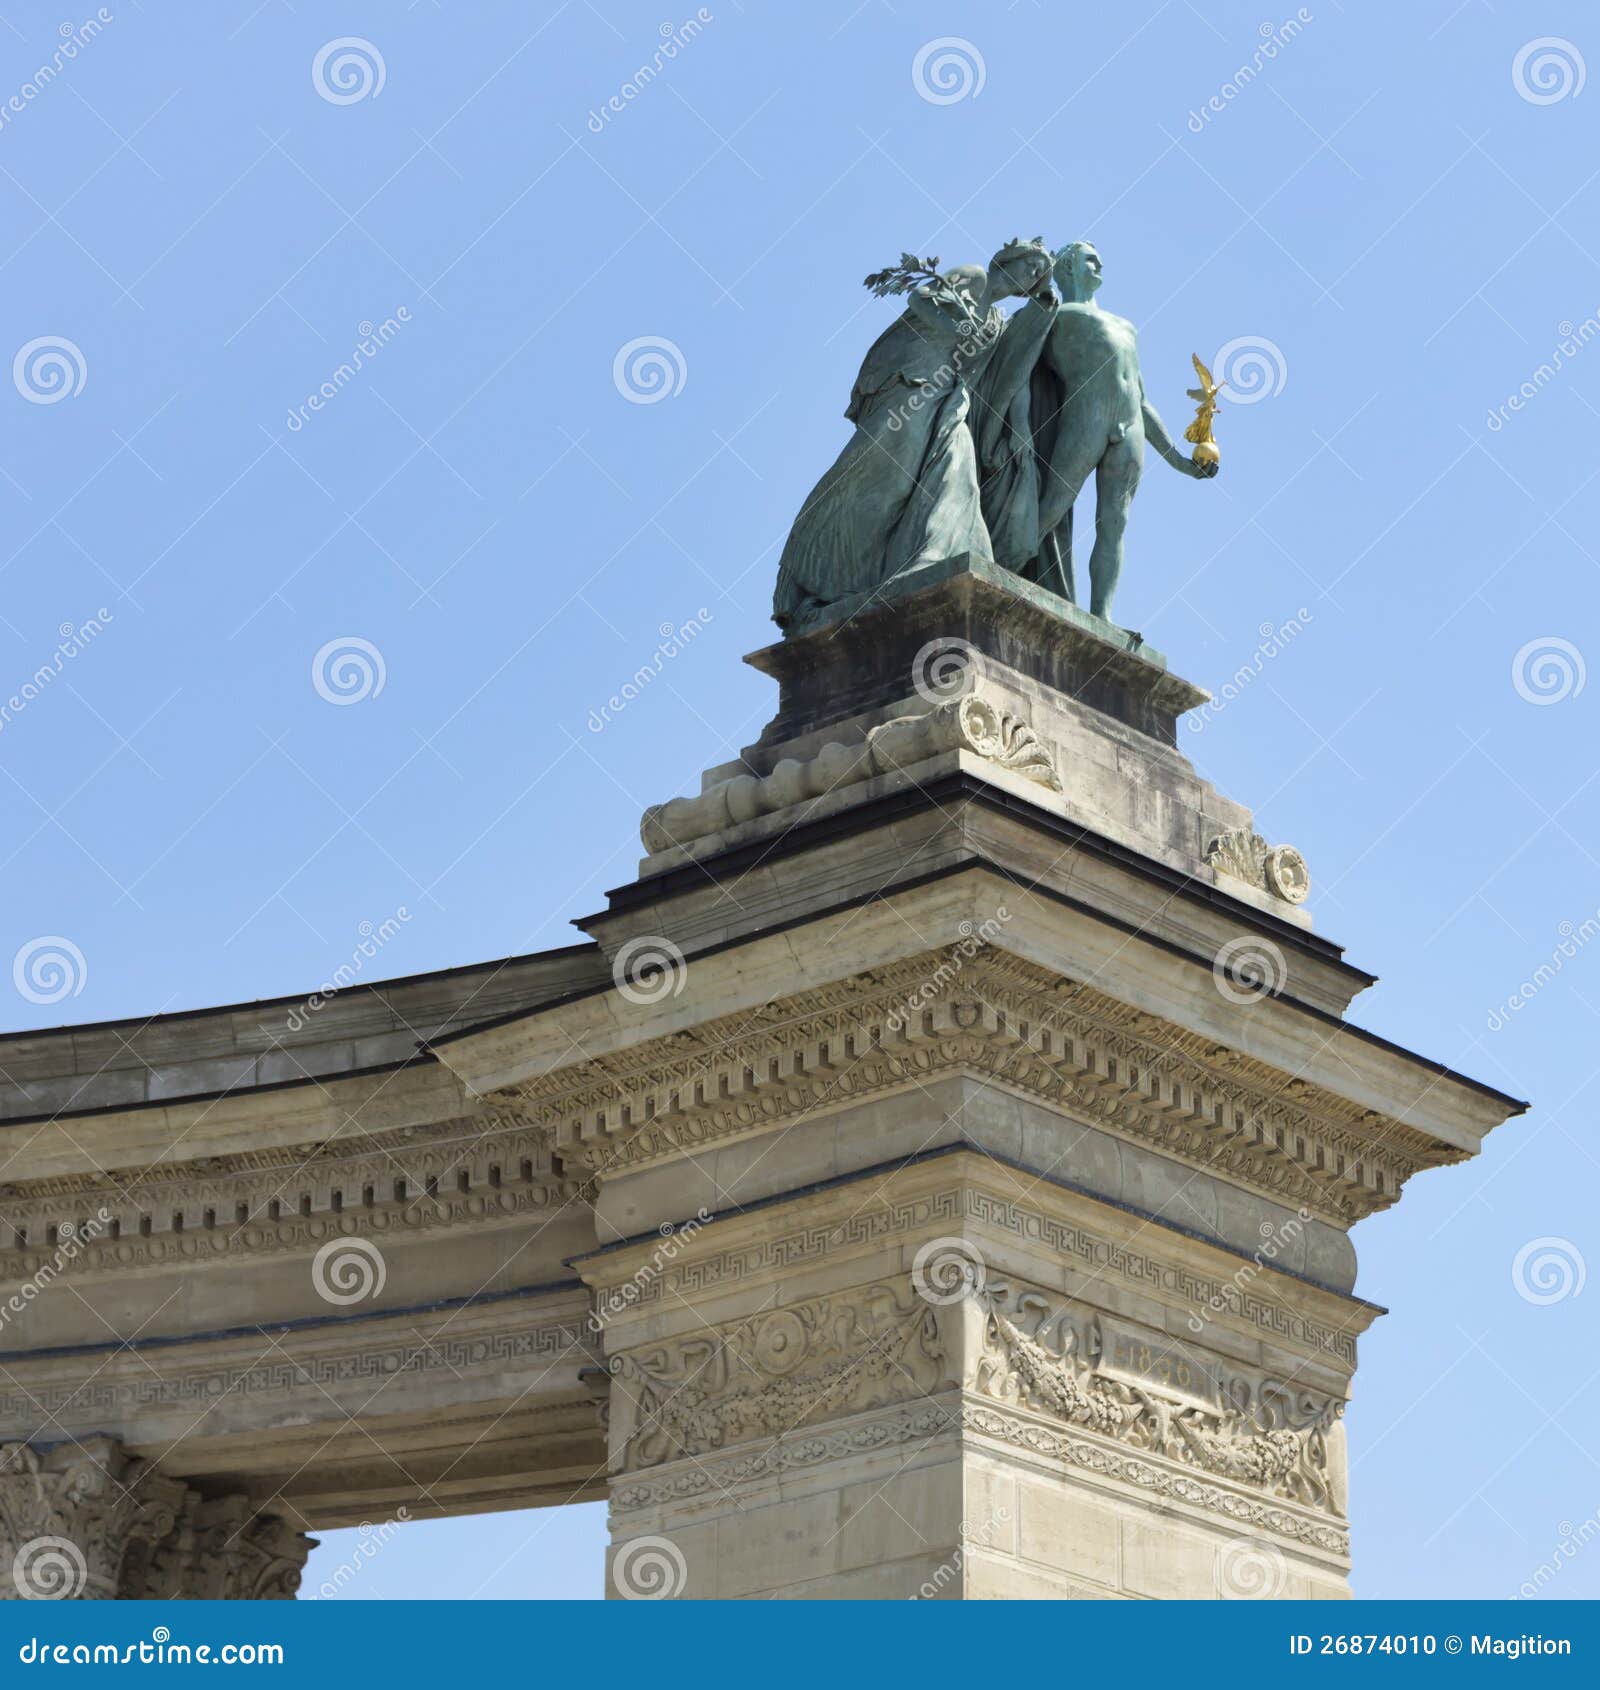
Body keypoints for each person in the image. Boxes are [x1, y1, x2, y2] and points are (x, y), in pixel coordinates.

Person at [772, 239, 1053, 634]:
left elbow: (1009, 377)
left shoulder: (999, 320)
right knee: (881, 479)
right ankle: (816, 576)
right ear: (1010, 259)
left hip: (948, 400)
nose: (1032, 274)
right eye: (1030, 264)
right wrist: (956, 323)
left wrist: (1019, 427)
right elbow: (921, 299)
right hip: (912, 382)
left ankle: (934, 558)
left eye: (1038, 271)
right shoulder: (974, 277)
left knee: (958, 469)